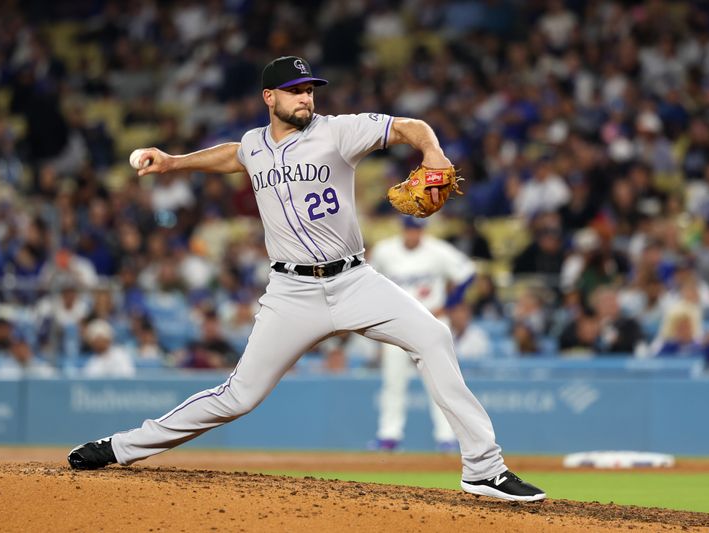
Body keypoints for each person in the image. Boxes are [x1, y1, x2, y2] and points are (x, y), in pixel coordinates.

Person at [67, 56, 545, 502]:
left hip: (355, 281)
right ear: (269, 98)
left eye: (310, 90)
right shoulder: (255, 145)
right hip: (291, 292)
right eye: (295, 91)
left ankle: (483, 467)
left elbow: (408, 127)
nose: (306, 98)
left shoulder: (339, 132)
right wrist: (173, 162)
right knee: (237, 397)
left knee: (434, 337)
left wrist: (433, 152)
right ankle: (121, 447)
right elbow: (233, 155)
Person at [369, 216, 476, 452]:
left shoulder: (437, 251)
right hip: (395, 322)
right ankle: (389, 435)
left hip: (431, 320)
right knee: (393, 381)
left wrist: (448, 305)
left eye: (416, 229)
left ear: (423, 230)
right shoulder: (386, 251)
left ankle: (446, 437)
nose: (412, 234)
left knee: (439, 383)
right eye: (409, 229)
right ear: (403, 229)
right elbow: (368, 281)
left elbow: (468, 273)